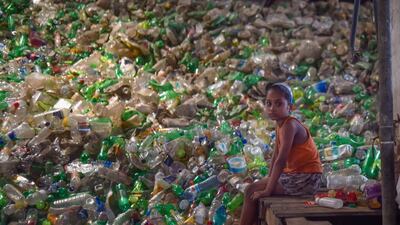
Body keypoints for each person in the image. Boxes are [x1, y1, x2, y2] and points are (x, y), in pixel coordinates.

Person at [239, 82, 322, 225]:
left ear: (290, 107)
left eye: (278, 104)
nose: (272, 108)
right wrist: (270, 178)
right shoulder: (280, 124)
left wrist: (268, 190)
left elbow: (281, 160)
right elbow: (275, 155)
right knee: (252, 190)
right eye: (268, 103)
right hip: (295, 174)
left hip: (306, 178)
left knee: (249, 190)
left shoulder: (290, 125)